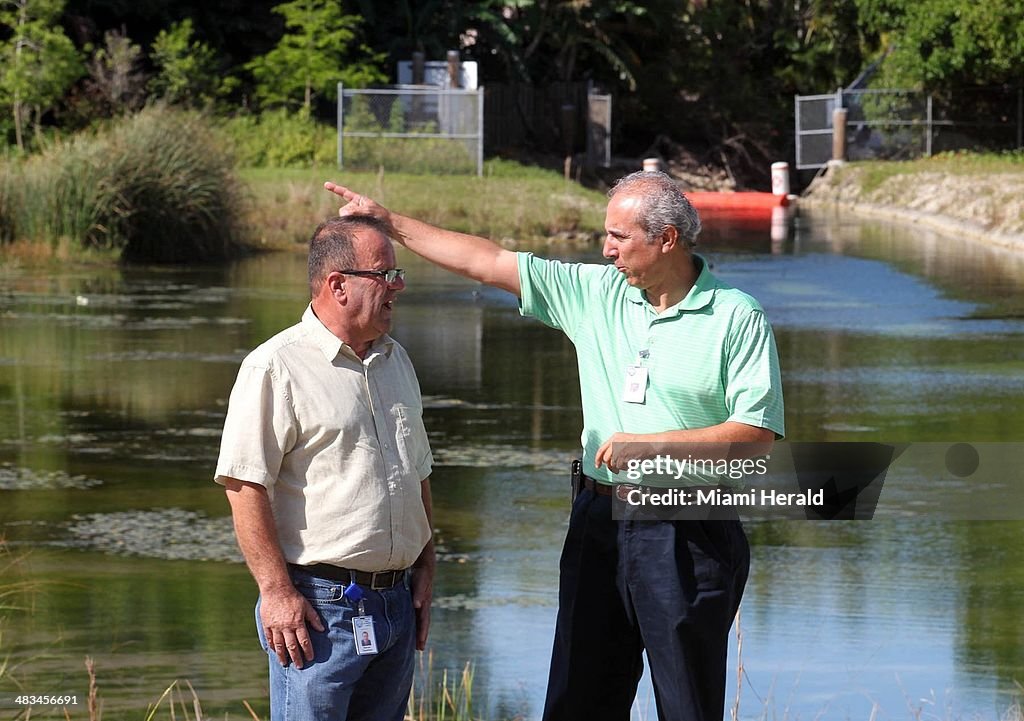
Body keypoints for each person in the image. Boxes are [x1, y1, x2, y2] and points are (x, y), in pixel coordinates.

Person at [325, 171, 785, 721]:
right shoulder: (595, 292)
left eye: (619, 236)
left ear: (666, 240)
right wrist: (389, 223)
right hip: (599, 519)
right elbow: (486, 261)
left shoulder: (737, 316)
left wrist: (653, 446)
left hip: (689, 524)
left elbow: (756, 437)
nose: (605, 248)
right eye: (605, 234)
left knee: (687, 705)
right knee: (578, 699)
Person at [214, 215, 435, 721]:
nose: (397, 286)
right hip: (318, 612)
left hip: (396, 605)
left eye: (398, 275)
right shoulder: (275, 366)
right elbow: (244, 485)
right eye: (384, 275)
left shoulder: (397, 359)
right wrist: (276, 592)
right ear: (338, 285)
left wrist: (426, 564)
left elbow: (416, 471)